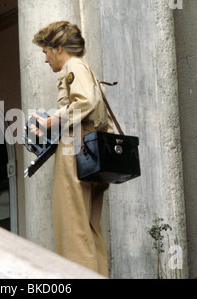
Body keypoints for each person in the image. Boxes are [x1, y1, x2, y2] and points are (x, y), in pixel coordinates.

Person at [31, 21, 114, 276]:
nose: (45, 60)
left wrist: (49, 122)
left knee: (72, 229)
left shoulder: (73, 66)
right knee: (88, 228)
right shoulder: (84, 68)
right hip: (92, 152)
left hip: (76, 149)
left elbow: (85, 102)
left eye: (45, 52)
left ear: (57, 48)